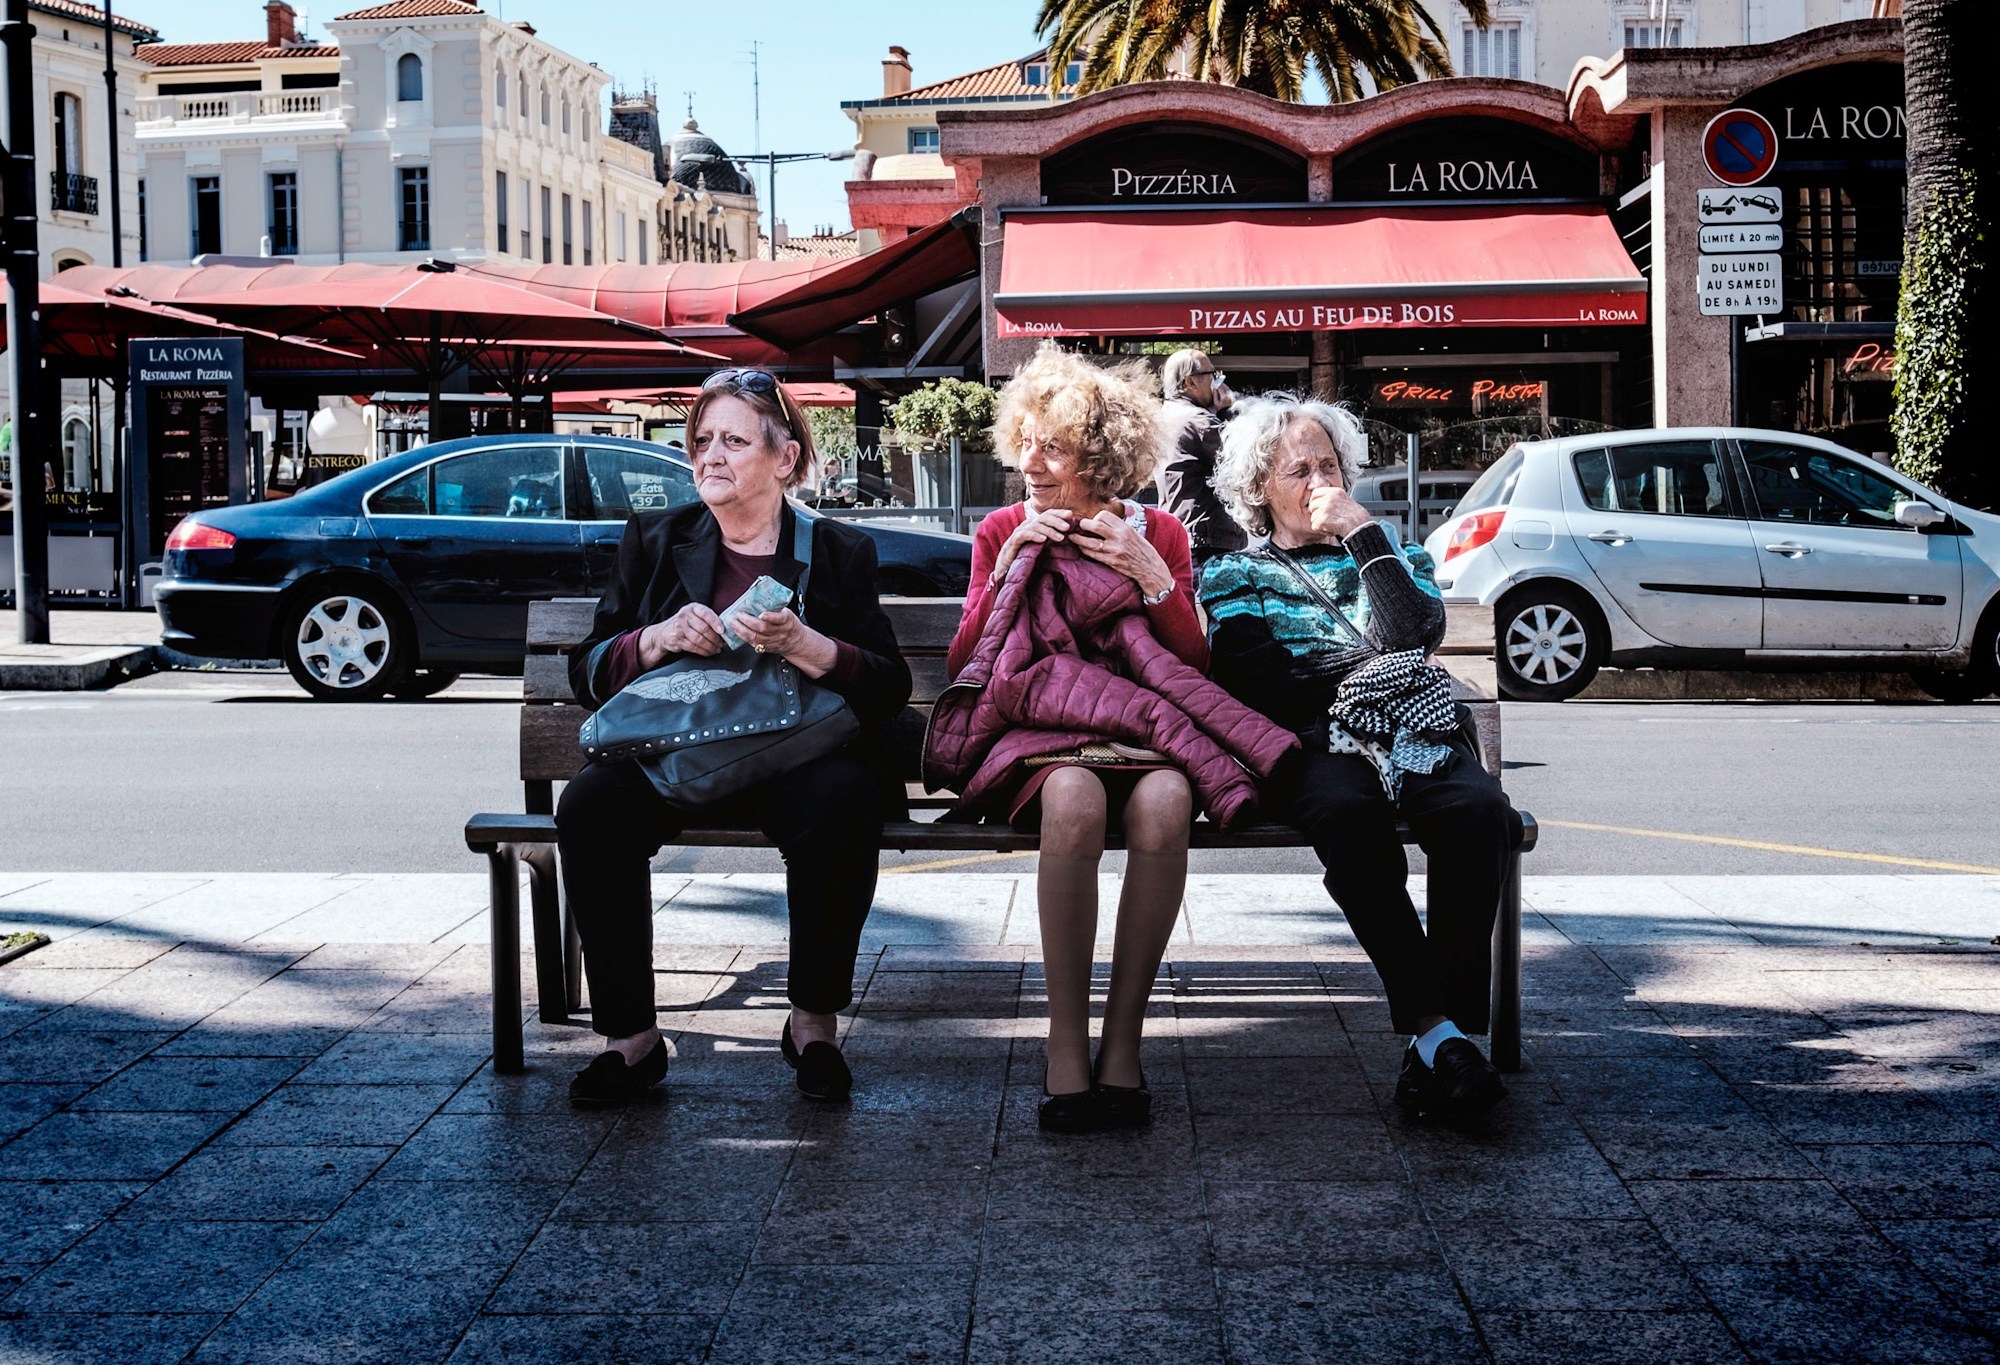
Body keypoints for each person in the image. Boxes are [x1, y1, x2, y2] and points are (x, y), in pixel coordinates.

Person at [928, 344, 1296, 1134]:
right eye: (1026, 442)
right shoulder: (1001, 529)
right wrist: (1007, 570)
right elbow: (966, 669)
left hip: (1147, 732)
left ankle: (1123, 1041)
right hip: (1038, 733)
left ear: (1100, 457)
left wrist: (1151, 577)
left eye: (1053, 447)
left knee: (1166, 802)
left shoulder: (1159, 531)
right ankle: (1066, 1042)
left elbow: (1192, 666)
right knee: (1073, 797)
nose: (1030, 463)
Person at [557, 368, 912, 1107]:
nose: (710, 456)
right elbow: (587, 670)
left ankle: (812, 1025)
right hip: (675, 755)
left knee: (844, 800)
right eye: (702, 440)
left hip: (794, 756)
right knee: (591, 806)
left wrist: (808, 645)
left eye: (733, 441)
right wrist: (654, 639)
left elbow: (889, 687)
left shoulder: (836, 549)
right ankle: (631, 1040)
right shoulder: (657, 538)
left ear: (785, 459)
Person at [1199, 393, 1522, 1117]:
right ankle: (1442, 1034)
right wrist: (1375, 667)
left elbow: (1416, 633)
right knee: (1349, 817)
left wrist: (1364, 536)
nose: (1322, 482)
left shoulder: (1396, 554)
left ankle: (1438, 1040)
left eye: (1330, 466)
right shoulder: (1234, 573)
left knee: (1480, 813)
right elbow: (1258, 677)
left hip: (1417, 733)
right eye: (1299, 471)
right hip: (1317, 743)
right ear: (1260, 489)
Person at [1156, 347, 1247, 568]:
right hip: (1208, 539)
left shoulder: (1163, 416)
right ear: (1190, 382)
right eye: (1212, 375)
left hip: (1177, 533)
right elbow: (1245, 460)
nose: (1218, 382)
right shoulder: (1199, 421)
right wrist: (1227, 411)